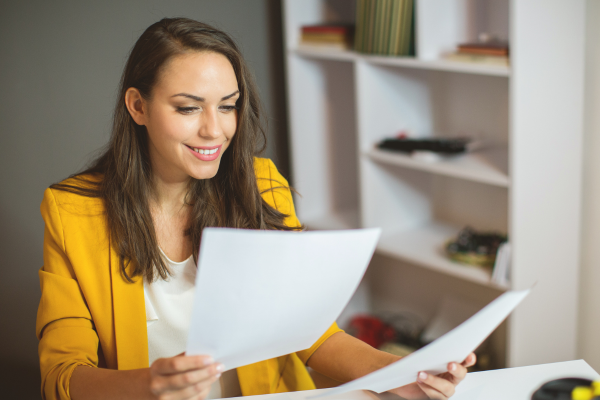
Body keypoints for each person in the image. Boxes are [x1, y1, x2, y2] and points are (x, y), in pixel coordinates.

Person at [36, 18, 475, 400]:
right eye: (188, 108)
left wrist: (402, 375)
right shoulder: (73, 212)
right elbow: (63, 377)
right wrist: (149, 386)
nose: (215, 130)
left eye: (228, 106)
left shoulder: (261, 185)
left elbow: (311, 334)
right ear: (138, 106)